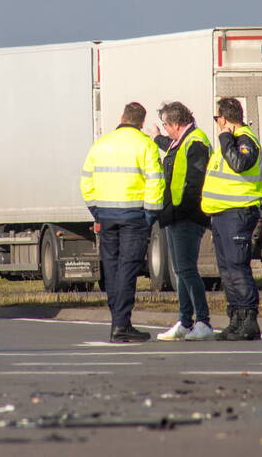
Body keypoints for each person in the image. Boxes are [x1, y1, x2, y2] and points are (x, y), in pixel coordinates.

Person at [80, 102, 165, 343]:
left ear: (122, 118)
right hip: (134, 216)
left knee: (112, 267)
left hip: (106, 215)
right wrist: (150, 215)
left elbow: (86, 180)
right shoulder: (146, 145)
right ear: (141, 122)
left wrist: (96, 209)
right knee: (128, 268)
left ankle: (118, 322)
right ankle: (121, 324)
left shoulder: (101, 144)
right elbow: (155, 182)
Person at [148, 101, 214, 342]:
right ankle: (185, 322)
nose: (164, 129)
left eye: (165, 125)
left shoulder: (196, 142)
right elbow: (174, 150)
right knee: (180, 270)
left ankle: (203, 321)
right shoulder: (184, 141)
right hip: (176, 215)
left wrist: (180, 209)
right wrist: (157, 139)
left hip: (187, 215)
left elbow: (195, 181)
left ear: (175, 124)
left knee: (186, 269)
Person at [201, 97, 262, 341]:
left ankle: (249, 320)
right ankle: (235, 319)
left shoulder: (244, 139)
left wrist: (226, 137)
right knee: (227, 270)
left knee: (237, 267)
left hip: (238, 212)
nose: (216, 124)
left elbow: (239, 163)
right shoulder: (229, 141)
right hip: (222, 213)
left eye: (217, 119)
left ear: (224, 119)